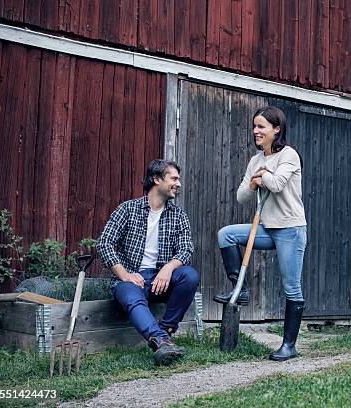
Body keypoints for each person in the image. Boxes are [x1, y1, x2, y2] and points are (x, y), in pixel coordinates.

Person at [214, 106, 307, 362]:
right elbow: (242, 195)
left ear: (276, 130)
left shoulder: (289, 155)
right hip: (267, 228)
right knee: (226, 235)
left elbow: (277, 185)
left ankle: (289, 345)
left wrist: (263, 176)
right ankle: (240, 289)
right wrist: (255, 180)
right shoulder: (255, 160)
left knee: (291, 287)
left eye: (261, 126)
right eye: (254, 126)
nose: (256, 131)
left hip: (290, 228)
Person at [97, 159, 199, 366]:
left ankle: (166, 330)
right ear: (156, 179)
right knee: (131, 296)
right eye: (174, 178)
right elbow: (104, 243)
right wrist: (125, 275)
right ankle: (160, 342)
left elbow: (186, 249)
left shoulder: (178, 215)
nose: (178, 184)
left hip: (160, 280)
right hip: (130, 279)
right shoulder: (128, 209)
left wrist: (168, 269)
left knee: (190, 276)